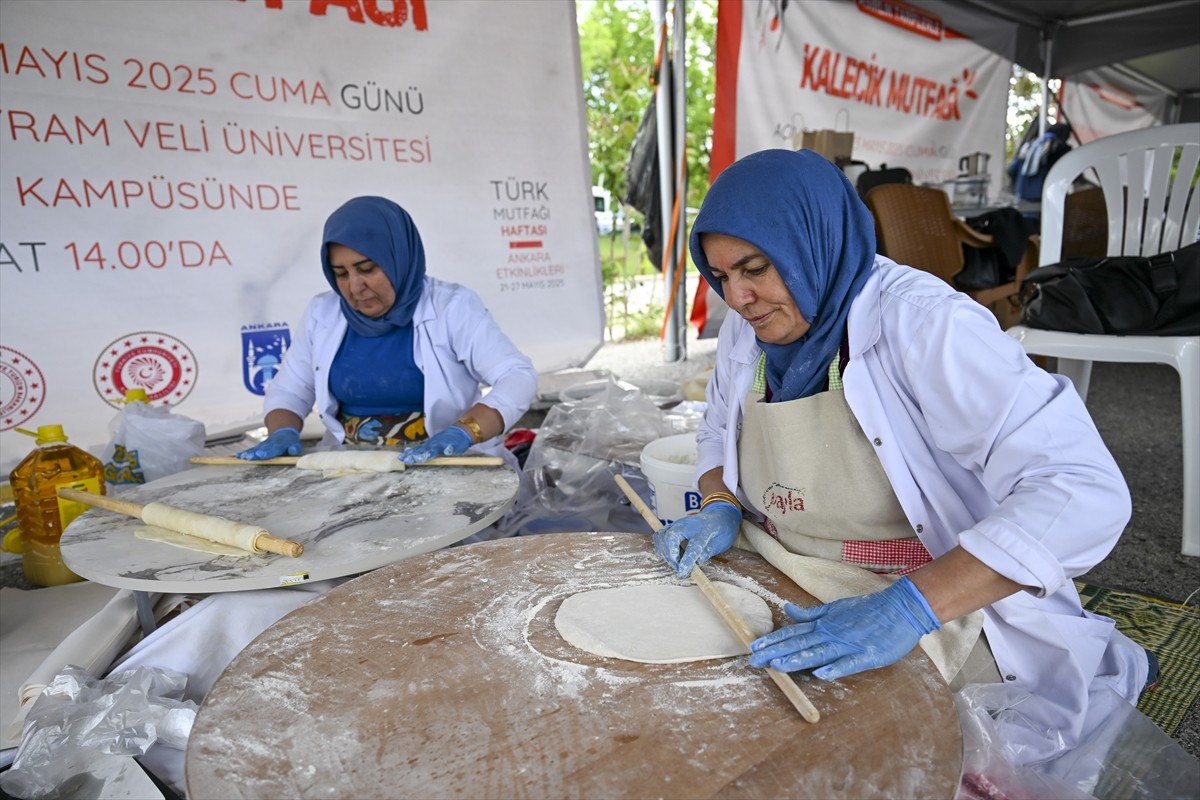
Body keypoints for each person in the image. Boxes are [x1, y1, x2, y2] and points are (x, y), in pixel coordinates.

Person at [653, 149, 1150, 763]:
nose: (740, 296)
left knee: (852, 744)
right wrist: (720, 502)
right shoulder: (749, 331)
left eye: (755, 267)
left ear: (815, 239)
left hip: (925, 587)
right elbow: (716, 433)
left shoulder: (925, 325)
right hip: (789, 561)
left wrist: (908, 608)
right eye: (721, 276)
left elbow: (1082, 488)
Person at [237, 195, 537, 466]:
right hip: (351, 470)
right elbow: (290, 389)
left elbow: (516, 376)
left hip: (448, 464)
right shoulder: (322, 313)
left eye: (367, 269)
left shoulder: (451, 307)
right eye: (340, 274)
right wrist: (283, 431)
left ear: (398, 257)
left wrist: (465, 432)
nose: (355, 286)